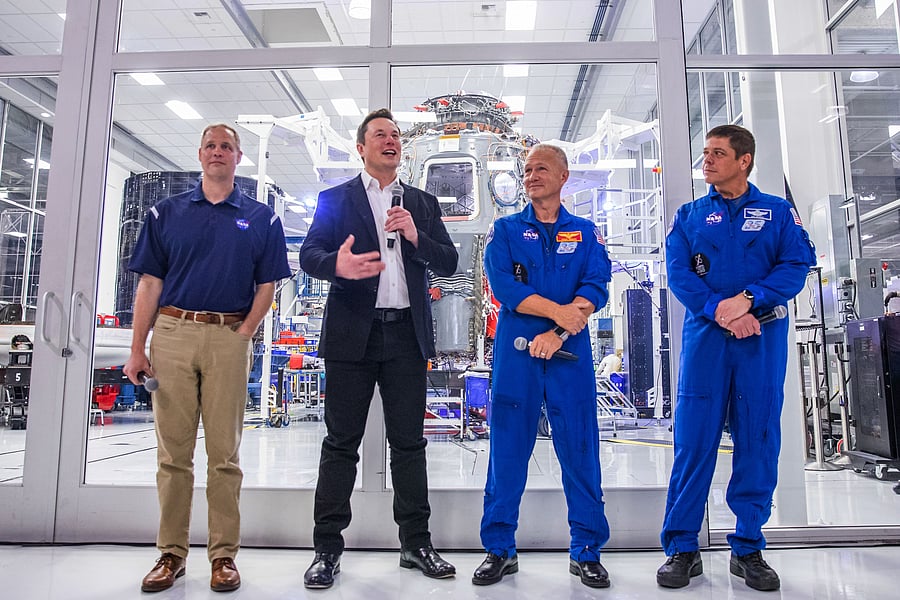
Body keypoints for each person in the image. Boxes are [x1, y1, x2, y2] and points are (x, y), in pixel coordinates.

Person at [124, 123, 291, 593]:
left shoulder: (262, 219)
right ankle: (171, 554)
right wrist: (138, 346)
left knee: (225, 456)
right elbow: (149, 285)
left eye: (227, 147)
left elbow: (267, 285)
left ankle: (223, 557)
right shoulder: (165, 213)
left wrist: (245, 333)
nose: (219, 152)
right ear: (200, 154)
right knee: (172, 455)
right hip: (173, 333)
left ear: (239, 158)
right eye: (212, 145)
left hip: (227, 337)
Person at [299, 108, 459, 589]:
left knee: (409, 444)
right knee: (340, 443)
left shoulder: (424, 203)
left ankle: (416, 543)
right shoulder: (335, 199)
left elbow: (449, 261)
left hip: (406, 337)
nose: (391, 140)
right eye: (380, 135)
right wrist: (337, 266)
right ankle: (327, 549)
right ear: (361, 148)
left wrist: (415, 235)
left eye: (395, 135)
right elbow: (310, 255)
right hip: (353, 334)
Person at [658, 125, 815, 592]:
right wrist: (720, 312)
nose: (707, 161)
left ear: (744, 160)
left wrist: (750, 299)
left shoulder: (778, 213)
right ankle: (683, 547)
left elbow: (795, 266)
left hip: (760, 341)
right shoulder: (689, 216)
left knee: (758, 440)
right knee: (693, 443)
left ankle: (747, 546)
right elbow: (680, 274)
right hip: (707, 341)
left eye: (718, 153)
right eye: (705, 153)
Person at [476, 143, 613, 588]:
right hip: (518, 357)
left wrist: (559, 332)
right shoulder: (507, 230)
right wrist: (559, 315)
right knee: (508, 452)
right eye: (527, 169)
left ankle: (587, 550)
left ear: (563, 176)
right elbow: (505, 289)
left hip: (569, 356)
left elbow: (595, 285)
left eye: (541, 168)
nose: (532, 175)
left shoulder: (586, 233)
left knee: (580, 450)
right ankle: (499, 549)